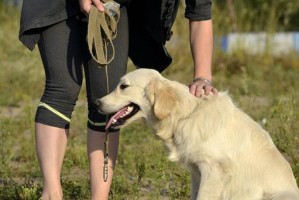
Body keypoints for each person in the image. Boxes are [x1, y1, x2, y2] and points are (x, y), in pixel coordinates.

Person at [19, 0, 216, 199]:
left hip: (110, 4)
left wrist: (202, 76)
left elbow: (200, 14)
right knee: (63, 88)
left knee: (107, 96)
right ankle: (51, 193)